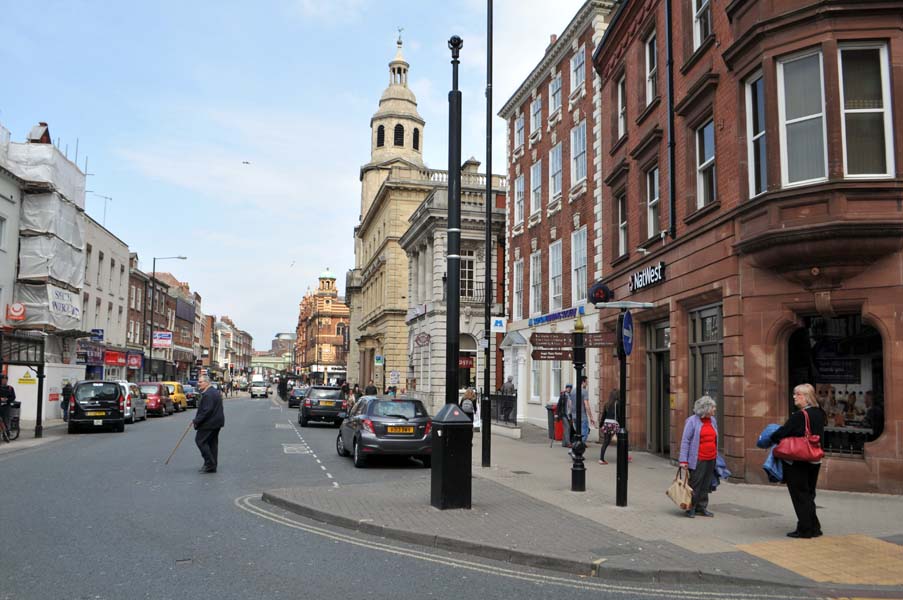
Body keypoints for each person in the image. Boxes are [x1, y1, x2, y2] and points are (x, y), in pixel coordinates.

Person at [770, 383, 826, 538]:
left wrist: (771, 437)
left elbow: (782, 432)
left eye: (797, 394)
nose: (794, 396)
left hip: (799, 460)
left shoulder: (800, 416)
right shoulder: (819, 413)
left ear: (806, 397)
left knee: (800, 495)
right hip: (814, 459)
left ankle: (805, 529)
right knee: (809, 494)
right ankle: (814, 527)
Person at [679, 395, 719, 518]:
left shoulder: (713, 421)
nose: (714, 409)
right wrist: (683, 460)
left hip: (711, 457)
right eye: (713, 407)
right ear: (705, 409)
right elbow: (685, 441)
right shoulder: (692, 421)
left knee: (706, 484)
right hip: (698, 458)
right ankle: (691, 507)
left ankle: (702, 507)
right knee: (695, 484)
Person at [193, 375, 225, 474]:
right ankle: (213, 465)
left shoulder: (208, 394)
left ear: (207, 382)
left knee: (200, 441)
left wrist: (196, 420)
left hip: (209, 423)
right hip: (217, 423)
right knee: (212, 444)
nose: (198, 384)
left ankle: (209, 463)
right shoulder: (214, 392)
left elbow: (206, 411)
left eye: (200, 382)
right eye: (199, 382)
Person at [598, 390, 620, 464]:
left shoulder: (606, 404)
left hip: (607, 423)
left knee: (606, 442)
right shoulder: (618, 404)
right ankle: (623, 457)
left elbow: (603, 416)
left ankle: (601, 459)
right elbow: (619, 416)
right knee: (621, 441)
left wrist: (601, 425)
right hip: (614, 424)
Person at [574, 377, 596, 442]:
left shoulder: (573, 391)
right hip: (582, 416)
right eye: (586, 382)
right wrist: (591, 417)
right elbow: (586, 405)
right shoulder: (584, 391)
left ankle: (575, 447)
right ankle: (579, 447)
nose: (587, 383)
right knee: (584, 433)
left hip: (574, 416)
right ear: (583, 382)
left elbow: (570, 404)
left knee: (578, 433)